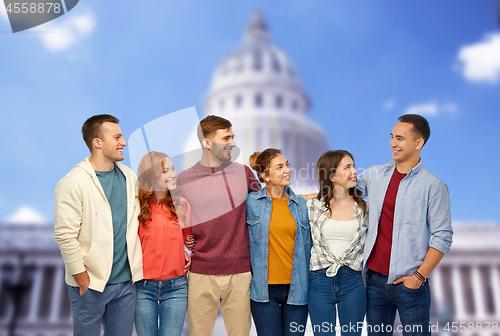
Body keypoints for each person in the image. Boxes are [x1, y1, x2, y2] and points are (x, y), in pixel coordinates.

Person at [357, 114, 453, 336]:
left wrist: (418, 277)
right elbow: (341, 194)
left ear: (418, 143)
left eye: (399, 138)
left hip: (411, 285)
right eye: (392, 137)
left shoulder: (434, 187)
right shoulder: (373, 175)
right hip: (373, 282)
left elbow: (443, 236)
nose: (392, 143)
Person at [53, 114, 143, 336]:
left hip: (125, 284)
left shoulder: (129, 176)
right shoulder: (73, 182)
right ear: (97, 142)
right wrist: (82, 279)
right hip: (90, 285)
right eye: (118, 137)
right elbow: (65, 236)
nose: (124, 142)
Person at [176, 115, 261, 336]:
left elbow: (266, 208)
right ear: (207, 143)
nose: (233, 143)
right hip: (201, 273)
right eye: (226, 138)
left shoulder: (243, 173)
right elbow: (171, 217)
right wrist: (181, 248)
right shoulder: (184, 179)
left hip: (240, 272)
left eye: (233, 137)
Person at [246, 149, 311, 336]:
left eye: (287, 164)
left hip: (297, 290)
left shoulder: (302, 205)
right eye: (280, 167)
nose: (288, 170)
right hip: (264, 291)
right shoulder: (251, 203)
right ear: (265, 176)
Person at [307, 150, 368, 335]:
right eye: (347, 167)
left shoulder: (365, 209)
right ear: (332, 176)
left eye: (354, 165)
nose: (354, 171)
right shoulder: (313, 206)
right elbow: (286, 199)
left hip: (353, 282)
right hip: (319, 281)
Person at [134, 151, 194, 336]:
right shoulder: (136, 206)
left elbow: (190, 241)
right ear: (151, 176)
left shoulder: (182, 205)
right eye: (165, 171)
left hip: (176, 286)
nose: (173, 174)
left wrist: (188, 255)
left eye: (173, 169)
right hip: (143, 287)